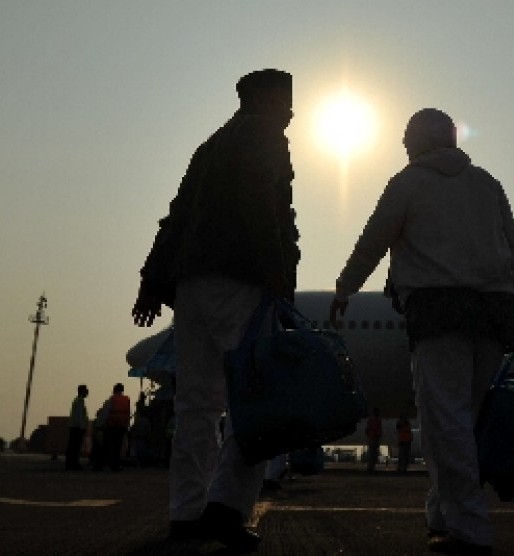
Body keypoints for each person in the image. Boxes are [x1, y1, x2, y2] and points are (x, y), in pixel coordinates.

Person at [329, 107, 514, 555]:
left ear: (415, 141)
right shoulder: (488, 184)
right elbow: (512, 253)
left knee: (446, 421)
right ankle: (443, 515)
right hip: (494, 314)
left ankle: (470, 528)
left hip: (440, 313)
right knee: (462, 419)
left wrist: (345, 288)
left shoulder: (408, 182)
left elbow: (373, 241)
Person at [131, 68, 299, 552]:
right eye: (286, 100)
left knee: (196, 406)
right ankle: (227, 508)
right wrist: (277, 274)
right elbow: (264, 207)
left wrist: (151, 283)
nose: (291, 111)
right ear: (266, 100)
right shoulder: (266, 138)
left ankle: (185, 514)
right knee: (257, 399)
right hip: (242, 282)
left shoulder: (208, 147)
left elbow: (176, 217)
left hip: (192, 286)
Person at [99, 383, 131, 471]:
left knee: (107, 446)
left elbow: (105, 413)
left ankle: (101, 464)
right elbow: (128, 413)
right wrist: (127, 426)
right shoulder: (126, 400)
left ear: (114, 389)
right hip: (121, 426)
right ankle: (115, 465)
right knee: (117, 447)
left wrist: (100, 424)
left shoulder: (112, 399)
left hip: (111, 426)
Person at [65, 384, 89, 471]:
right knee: (75, 447)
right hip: (77, 427)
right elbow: (79, 416)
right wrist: (82, 427)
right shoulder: (80, 401)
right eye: (85, 390)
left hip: (74, 427)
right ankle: (73, 464)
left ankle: (70, 463)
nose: (87, 392)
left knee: (73, 446)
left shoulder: (77, 400)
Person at [365, 407, 383, 472]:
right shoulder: (375, 420)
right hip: (373, 438)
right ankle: (371, 466)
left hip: (373, 438)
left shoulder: (373, 420)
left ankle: (371, 466)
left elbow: (367, 430)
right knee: (372, 453)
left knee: (373, 453)